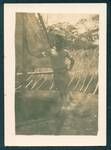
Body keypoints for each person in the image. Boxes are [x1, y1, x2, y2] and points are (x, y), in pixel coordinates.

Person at [42, 34, 75, 110]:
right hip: (56, 73)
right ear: (54, 42)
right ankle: (65, 104)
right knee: (60, 89)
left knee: (64, 88)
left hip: (64, 72)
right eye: (56, 42)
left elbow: (73, 60)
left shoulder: (65, 51)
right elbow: (41, 55)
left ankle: (66, 105)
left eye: (59, 42)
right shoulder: (51, 51)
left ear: (62, 43)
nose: (57, 43)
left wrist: (70, 68)